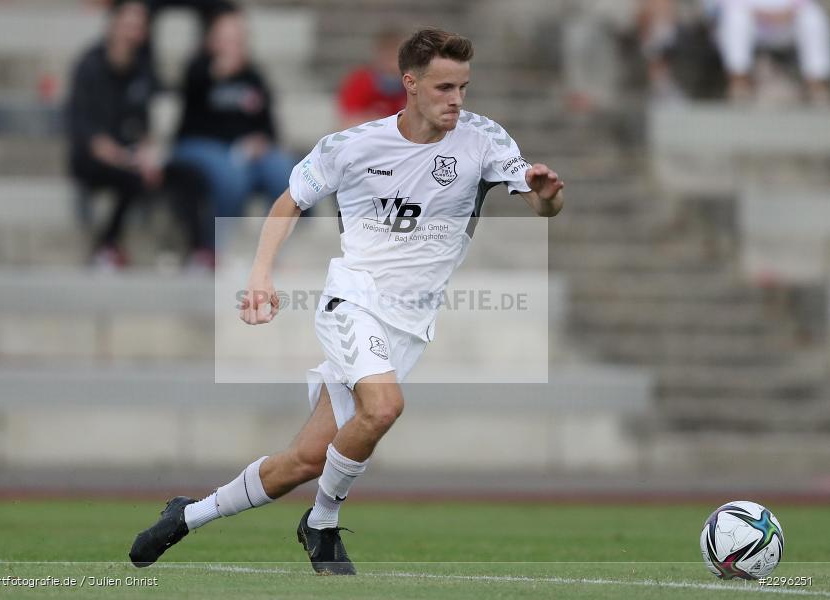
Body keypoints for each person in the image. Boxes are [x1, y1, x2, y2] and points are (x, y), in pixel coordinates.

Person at [129, 27, 565, 575]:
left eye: (463, 87)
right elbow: (289, 201)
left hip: (410, 323)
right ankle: (321, 523)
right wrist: (260, 274)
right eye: (444, 87)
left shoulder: (484, 140)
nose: (456, 100)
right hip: (353, 300)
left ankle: (187, 515)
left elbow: (538, 202)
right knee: (384, 407)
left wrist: (548, 198)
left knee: (304, 461)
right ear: (410, 83)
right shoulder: (353, 146)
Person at [172, 4, 295, 250]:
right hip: (199, 145)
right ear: (212, 41)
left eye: (239, 38)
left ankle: (277, 249)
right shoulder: (197, 69)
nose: (234, 45)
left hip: (245, 150)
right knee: (232, 175)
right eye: (227, 38)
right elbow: (189, 108)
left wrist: (260, 143)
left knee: (283, 170)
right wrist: (214, 74)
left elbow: (269, 127)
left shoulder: (253, 76)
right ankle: (214, 247)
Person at [67, 0, 162, 267]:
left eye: (138, 26)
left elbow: (144, 123)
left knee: (180, 175)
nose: (132, 31)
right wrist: (127, 160)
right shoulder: (90, 65)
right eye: (128, 24)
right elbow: (87, 133)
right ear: (113, 24)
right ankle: (106, 246)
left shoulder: (142, 70)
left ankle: (198, 254)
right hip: (91, 156)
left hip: (126, 153)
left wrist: (147, 153)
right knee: (133, 179)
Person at [713, 0, 830, 103]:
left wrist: (791, 10)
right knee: (736, 18)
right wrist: (756, 12)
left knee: (813, 18)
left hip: (788, 19)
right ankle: (739, 82)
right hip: (750, 18)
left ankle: (817, 84)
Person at [337, 28, 407, 128]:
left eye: (395, 58)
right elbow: (347, 122)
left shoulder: (414, 84)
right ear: (378, 55)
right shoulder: (360, 82)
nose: (392, 66)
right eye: (388, 57)